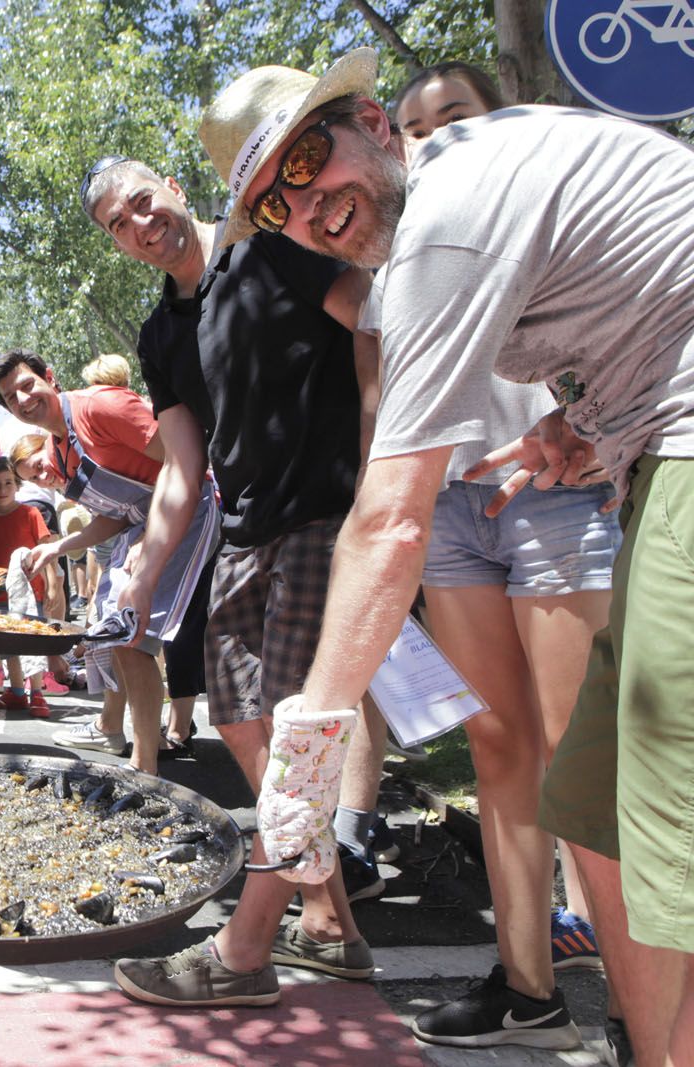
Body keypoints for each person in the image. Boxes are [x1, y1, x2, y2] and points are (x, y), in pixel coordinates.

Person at [198, 47, 694, 1063]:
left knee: (661, 814)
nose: (306, 206)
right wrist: (588, 424)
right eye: (271, 205)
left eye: (306, 160)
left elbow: (389, 518)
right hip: (650, 444)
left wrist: (310, 745)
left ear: (376, 125)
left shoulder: (439, 224)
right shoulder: (449, 193)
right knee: (591, 798)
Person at [75, 147, 384, 1007]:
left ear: (172, 185)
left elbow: (372, 323)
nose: (141, 224)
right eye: (119, 225)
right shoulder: (159, 334)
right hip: (245, 532)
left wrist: (378, 481)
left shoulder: (269, 247)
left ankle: (243, 955)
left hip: (330, 516)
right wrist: (142, 572)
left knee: (297, 732)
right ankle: (328, 919)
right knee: (238, 717)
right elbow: (180, 467)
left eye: (143, 201)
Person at [362, 61, 617, 1049]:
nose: (433, 136)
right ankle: (526, 982)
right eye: (413, 124)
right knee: (496, 745)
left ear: (498, 113)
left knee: (576, 748)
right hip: (451, 509)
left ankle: (638, 1006)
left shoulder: (531, 204)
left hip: (555, 491)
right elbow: (382, 394)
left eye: (454, 114)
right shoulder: (395, 255)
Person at [0, 352, 219, 772]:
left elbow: (186, 459)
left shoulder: (99, 406)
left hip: (191, 510)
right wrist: (57, 548)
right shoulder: (59, 452)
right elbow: (114, 514)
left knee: (131, 634)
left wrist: (153, 536)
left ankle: (143, 763)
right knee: (112, 632)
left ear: (49, 378)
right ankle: (119, 736)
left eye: (26, 385)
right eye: (10, 397)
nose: (22, 399)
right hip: (142, 526)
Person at [0, 455, 55, 714]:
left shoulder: (31, 513)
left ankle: (37, 693)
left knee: (31, 642)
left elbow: (46, 550)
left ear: (18, 485)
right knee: (8, 646)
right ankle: (16, 692)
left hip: (31, 592)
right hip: (0, 595)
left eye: (8, 483)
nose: (2, 490)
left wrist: (54, 583)